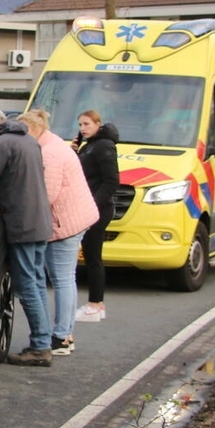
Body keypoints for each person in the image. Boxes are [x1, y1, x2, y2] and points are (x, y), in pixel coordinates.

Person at [0, 102, 53, 366]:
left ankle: (40, 347)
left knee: (27, 285)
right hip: (39, 221)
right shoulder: (28, 140)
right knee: (37, 283)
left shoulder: (1, 145)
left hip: (21, 223)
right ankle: (44, 340)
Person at [18, 109, 98, 357]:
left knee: (62, 279)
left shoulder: (49, 153)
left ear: (34, 130)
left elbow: (48, 195)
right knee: (65, 278)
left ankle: (62, 336)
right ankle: (65, 332)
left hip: (66, 221)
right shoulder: (53, 143)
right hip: (74, 217)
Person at [73, 110, 119, 323]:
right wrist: (74, 151)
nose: (83, 128)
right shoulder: (89, 145)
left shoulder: (103, 146)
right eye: (80, 124)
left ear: (98, 124)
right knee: (92, 255)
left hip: (98, 208)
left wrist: (92, 204)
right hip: (92, 206)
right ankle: (97, 304)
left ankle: (95, 303)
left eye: (87, 124)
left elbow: (111, 181)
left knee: (93, 257)